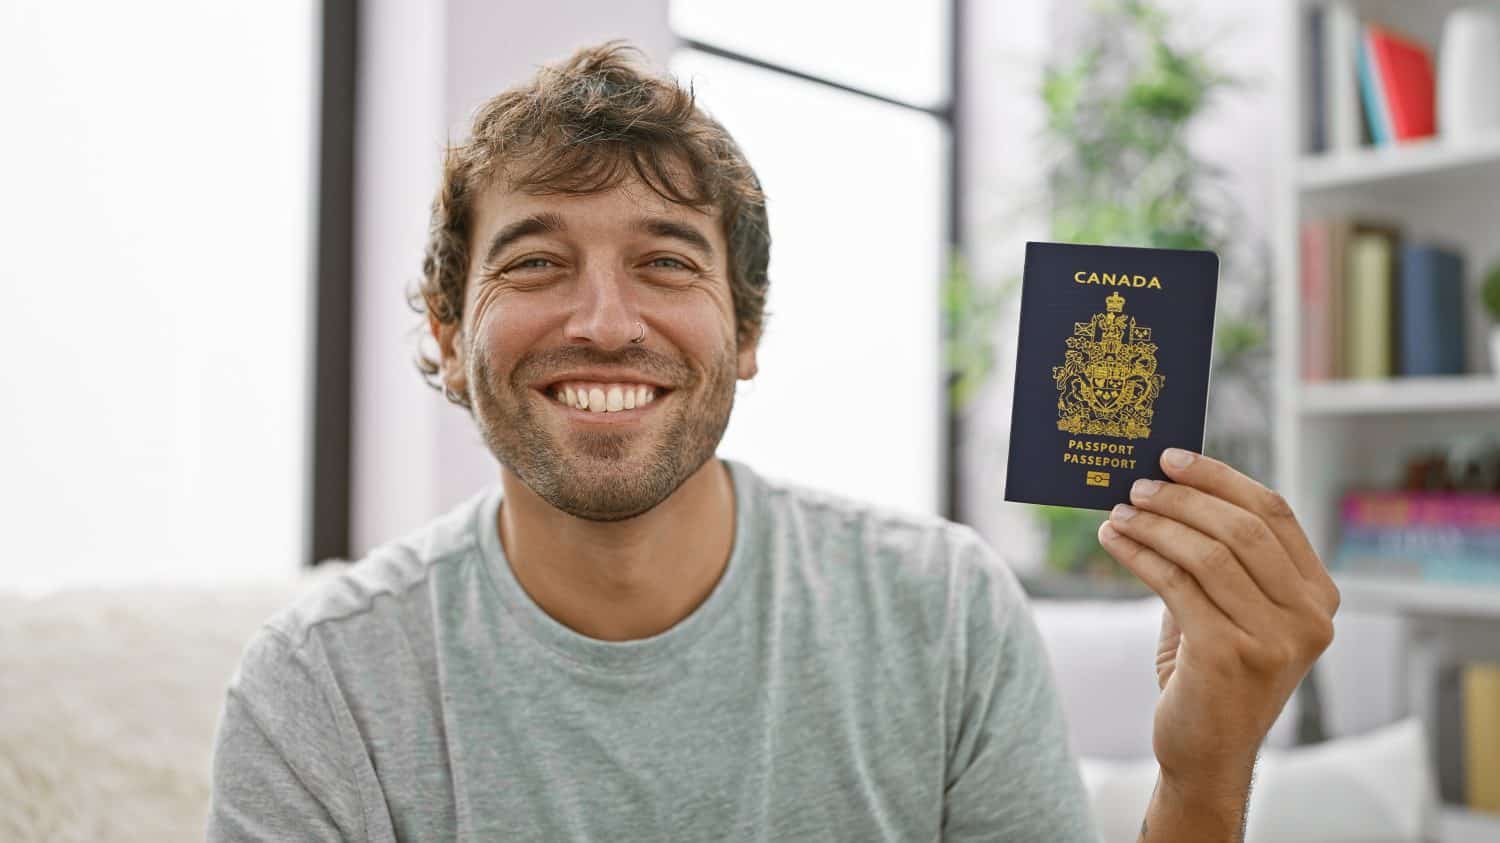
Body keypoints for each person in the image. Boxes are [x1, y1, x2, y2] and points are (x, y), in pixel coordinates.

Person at [206, 41, 1339, 842]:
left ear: (744, 332)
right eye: (536, 262)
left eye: (666, 262)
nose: (605, 321)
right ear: (452, 336)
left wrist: (1203, 777)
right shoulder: (320, 692)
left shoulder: (944, 613)